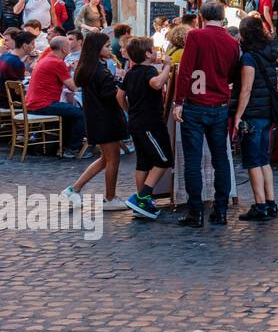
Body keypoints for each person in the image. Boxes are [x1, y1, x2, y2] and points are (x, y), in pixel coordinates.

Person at [172, 0, 243, 227]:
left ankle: (196, 210)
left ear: (202, 17)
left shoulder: (195, 37)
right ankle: (220, 210)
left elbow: (185, 69)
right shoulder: (232, 42)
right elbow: (233, 73)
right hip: (219, 105)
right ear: (222, 17)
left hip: (195, 104)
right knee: (220, 158)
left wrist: (178, 101)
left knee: (192, 161)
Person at [61, 32, 131, 212]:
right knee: (113, 159)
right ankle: (110, 197)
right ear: (96, 48)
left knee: (104, 159)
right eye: (107, 46)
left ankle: (73, 189)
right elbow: (111, 95)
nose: (110, 49)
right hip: (105, 119)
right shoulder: (99, 70)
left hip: (97, 118)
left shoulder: (88, 67)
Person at [230, 16, 278, 222]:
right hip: (267, 111)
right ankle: (271, 202)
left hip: (253, 113)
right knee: (263, 159)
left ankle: (260, 205)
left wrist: (238, 116)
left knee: (252, 161)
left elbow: (246, 89)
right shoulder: (269, 53)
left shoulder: (249, 57)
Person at [119, 37, 175, 220]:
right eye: (153, 49)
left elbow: (119, 96)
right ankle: (142, 196)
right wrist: (167, 66)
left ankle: (142, 204)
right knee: (164, 159)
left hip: (136, 121)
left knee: (143, 162)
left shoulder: (131, 72)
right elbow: (157, 84)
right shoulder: (148, 71)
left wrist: (129, 111)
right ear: (148, 54)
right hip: (150, 123)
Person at [25, 36, 85, 158]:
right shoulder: (57, 62)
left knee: (69, 112)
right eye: (68, 46)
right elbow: (74, 87)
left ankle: (65, 146)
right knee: (80, 114)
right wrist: (77, 70)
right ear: (64, 49)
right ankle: (73, 149)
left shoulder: (47, 59)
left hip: (34, 103)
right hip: (43, 104)